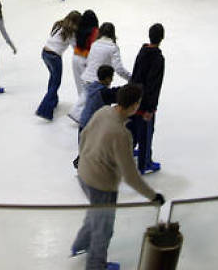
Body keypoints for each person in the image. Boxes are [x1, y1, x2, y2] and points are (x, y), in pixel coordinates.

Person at [71, 84, 165, 269]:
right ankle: (96, 265)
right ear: (134, 106)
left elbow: (84, 136)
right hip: (102, 185)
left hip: (84, 174)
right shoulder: (121, 134)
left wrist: (86, 161)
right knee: (104, 229)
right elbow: (130, 175)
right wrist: (152, 196)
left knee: (95, 213)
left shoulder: (104, 111)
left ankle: (80, 245)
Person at [127, 23, 165, 174]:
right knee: (146, 134)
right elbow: (154, 85)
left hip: (133, 100)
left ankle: (128, 153)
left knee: (133, 130)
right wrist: (151, 108)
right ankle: (145, 163)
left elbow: (135, 75)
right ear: (162, 37)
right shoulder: (158, 58)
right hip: (145, 105)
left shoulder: (141, 52)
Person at [35, 11, 81, 120]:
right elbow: (75, 47)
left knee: (53, 78)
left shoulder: (59, 24)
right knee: (56, 82)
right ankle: (44, 110)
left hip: (45, 53)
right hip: (55, 57)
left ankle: (53, 101)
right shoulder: (70, 32)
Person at [72, 65, 121, 168]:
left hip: (83, 124)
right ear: (108, 78)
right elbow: (117, 95)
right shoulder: (103, 93)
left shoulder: (93, 87)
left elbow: (113, 92)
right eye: (112, 77)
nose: (112, 79)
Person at [67, 10, 99, 123]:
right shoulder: (95, 31)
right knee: (88, 87)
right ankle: (78, 112)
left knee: (80, 86)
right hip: (86, 59)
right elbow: (94, 47)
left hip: (75, 58)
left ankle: (81, 111)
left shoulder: (79, 28)